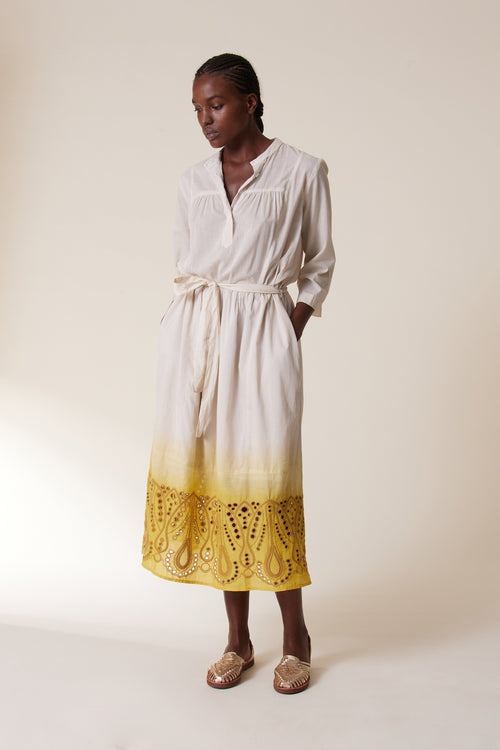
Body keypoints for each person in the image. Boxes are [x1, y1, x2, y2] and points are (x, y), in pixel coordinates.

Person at [141, 52, 336, 694]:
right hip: (196, 341)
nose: (205, 119)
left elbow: (319, 264)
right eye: (197, 109)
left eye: (216, 104)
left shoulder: (302, 171)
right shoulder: (192, 181)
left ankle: (296, 638)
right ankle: (238, 640)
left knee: (267, 480)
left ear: (251, 101)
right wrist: (185, 338)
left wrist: (287, 328)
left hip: (262, 340)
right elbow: (187, 266)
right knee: (218, 480)